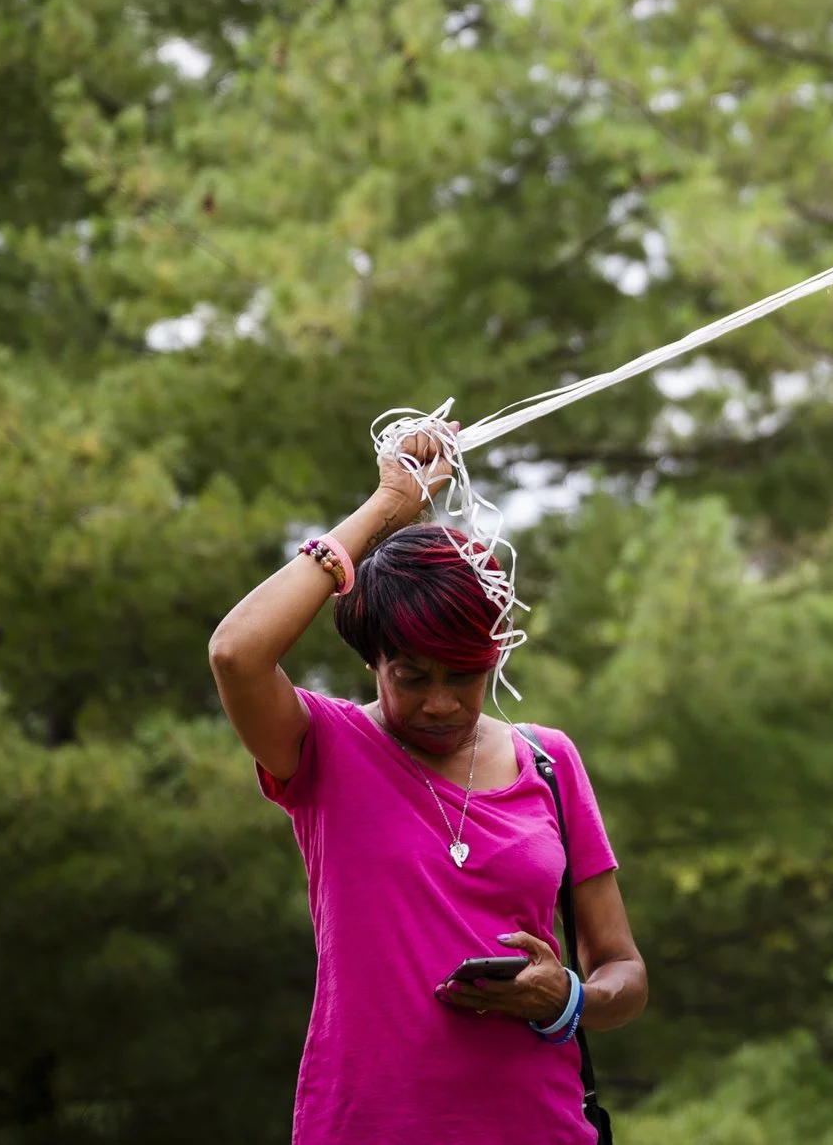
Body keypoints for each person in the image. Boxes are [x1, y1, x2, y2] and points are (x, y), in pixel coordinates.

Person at [210, 425, 647, 1143]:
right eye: (413, 675)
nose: (441, 702)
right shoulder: (323, 748)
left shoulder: (549, 760)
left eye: (465, 676)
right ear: (373, 658)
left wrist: (564, 998)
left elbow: (624, 971)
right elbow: (235, 651)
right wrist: (387, 506)